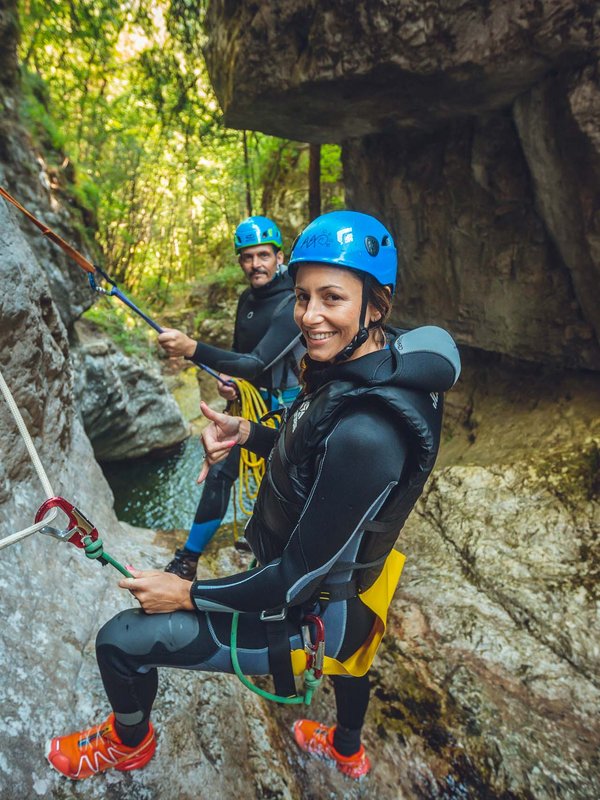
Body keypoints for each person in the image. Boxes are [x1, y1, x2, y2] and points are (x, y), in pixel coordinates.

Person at [46, 211, 461, 782]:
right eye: (303, 296)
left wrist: (186, 592)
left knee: (121, 640)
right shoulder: (379, 365)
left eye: (332, 299)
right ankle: (347, 749)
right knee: (353, 665)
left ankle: (128, 742)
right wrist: (251, 434)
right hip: (357, 582)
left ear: (375, 305)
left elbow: (291, 578)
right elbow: (317, 446)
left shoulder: (368, 432)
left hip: (314, 606)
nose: (309, 317)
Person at [157, 215, 305, 579]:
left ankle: (274, 550)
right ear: (240, 261)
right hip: (248, 402)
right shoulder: (246, 300)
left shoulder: (292, 303)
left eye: (263, 256)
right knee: (221, 472)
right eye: (248, 257)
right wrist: (230, 382)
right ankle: (189, 559)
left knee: (280, 481)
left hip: (285, 406)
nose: (256, 264)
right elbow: (242, 360)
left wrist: (192, 348)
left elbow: (255, 363)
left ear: (278, 256)